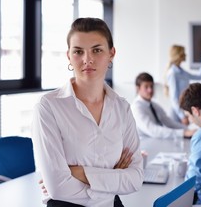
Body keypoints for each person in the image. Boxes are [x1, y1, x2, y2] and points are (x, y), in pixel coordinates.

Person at [31, 17, 143, 207]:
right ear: (68, 56)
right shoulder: (48, 107)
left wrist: (80, 172)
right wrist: (113, 179)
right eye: (78, 51)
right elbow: (58, 187)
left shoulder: (122, 108)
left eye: (97, 50)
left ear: (111, 53)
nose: (87, 59)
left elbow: (135, 178)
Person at [131, 72, 196, 139]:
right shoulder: (136, 107)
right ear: (138, 89)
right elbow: (153, 130)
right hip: (145, 145)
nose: (150, 90)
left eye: (151, 86)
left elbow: (168, 122)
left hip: (156, 141)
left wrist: (188, 129)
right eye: (146, 87)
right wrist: (183, 133)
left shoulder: (154, 105)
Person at [165, 44, 201, 125]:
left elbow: (199, 76)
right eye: (184, 53)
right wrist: (182, 116)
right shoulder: (173, 73)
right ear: (179, 55)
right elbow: (174, 98)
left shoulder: (181, 71)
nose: (186, 55)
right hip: (177, 113)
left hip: (183, 110)